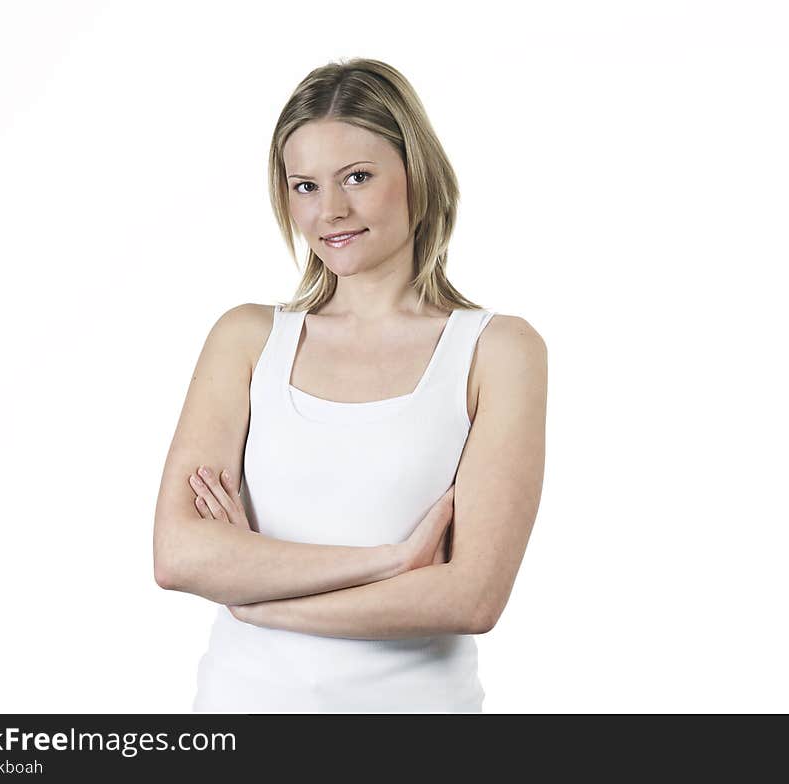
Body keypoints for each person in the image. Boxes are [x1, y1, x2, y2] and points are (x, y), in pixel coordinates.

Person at [153, 58, 548, 713]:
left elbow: (471, 596)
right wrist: (391, 562)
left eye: (357, 178)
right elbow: (177, 555)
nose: (330, 211)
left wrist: (256, 593)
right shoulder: (247, 339)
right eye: (304, 186)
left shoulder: (497, 351)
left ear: (416, 174)